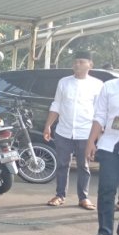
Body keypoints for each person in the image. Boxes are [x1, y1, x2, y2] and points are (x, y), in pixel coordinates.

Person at [84, 45, 119, 235]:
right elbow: (100, 117)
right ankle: (104, 233)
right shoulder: (110, 87)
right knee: (107, 188)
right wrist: (91, 142)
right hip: (110, 145)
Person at [43, 51, 103, 210]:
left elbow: (100, 112)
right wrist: (48, 125)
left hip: (85, 133)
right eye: (76, 62)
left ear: (90, 65)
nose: (77, 64)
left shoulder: (97, 85)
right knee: (63, 164)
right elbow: (57, 105)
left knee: (84, 166)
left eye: (82, 62)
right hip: (64, 131)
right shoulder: (64, 82)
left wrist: (98, 135)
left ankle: (83, 198)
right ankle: (60, 195)